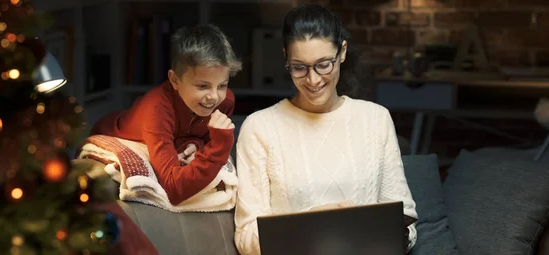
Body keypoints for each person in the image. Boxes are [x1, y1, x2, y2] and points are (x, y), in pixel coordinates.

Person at [233, 4, 418, 254]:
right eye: (299, 67)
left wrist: (394, 234)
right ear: (286, 56)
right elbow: (246, 237)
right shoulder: (260, 128)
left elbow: (405, 220)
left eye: (323, 65)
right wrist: (310, 225)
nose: (313, 80)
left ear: (342, 52)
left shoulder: (375, 120)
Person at [89, 24, 242, 205]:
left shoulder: (225, 102)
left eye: (222, 85)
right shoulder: (156, 110)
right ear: (175, 80)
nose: (214, 97)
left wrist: (195, 143)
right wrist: (221, 143)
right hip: (109, 131)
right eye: (202, 86)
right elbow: (173, 189)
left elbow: (201, 137)